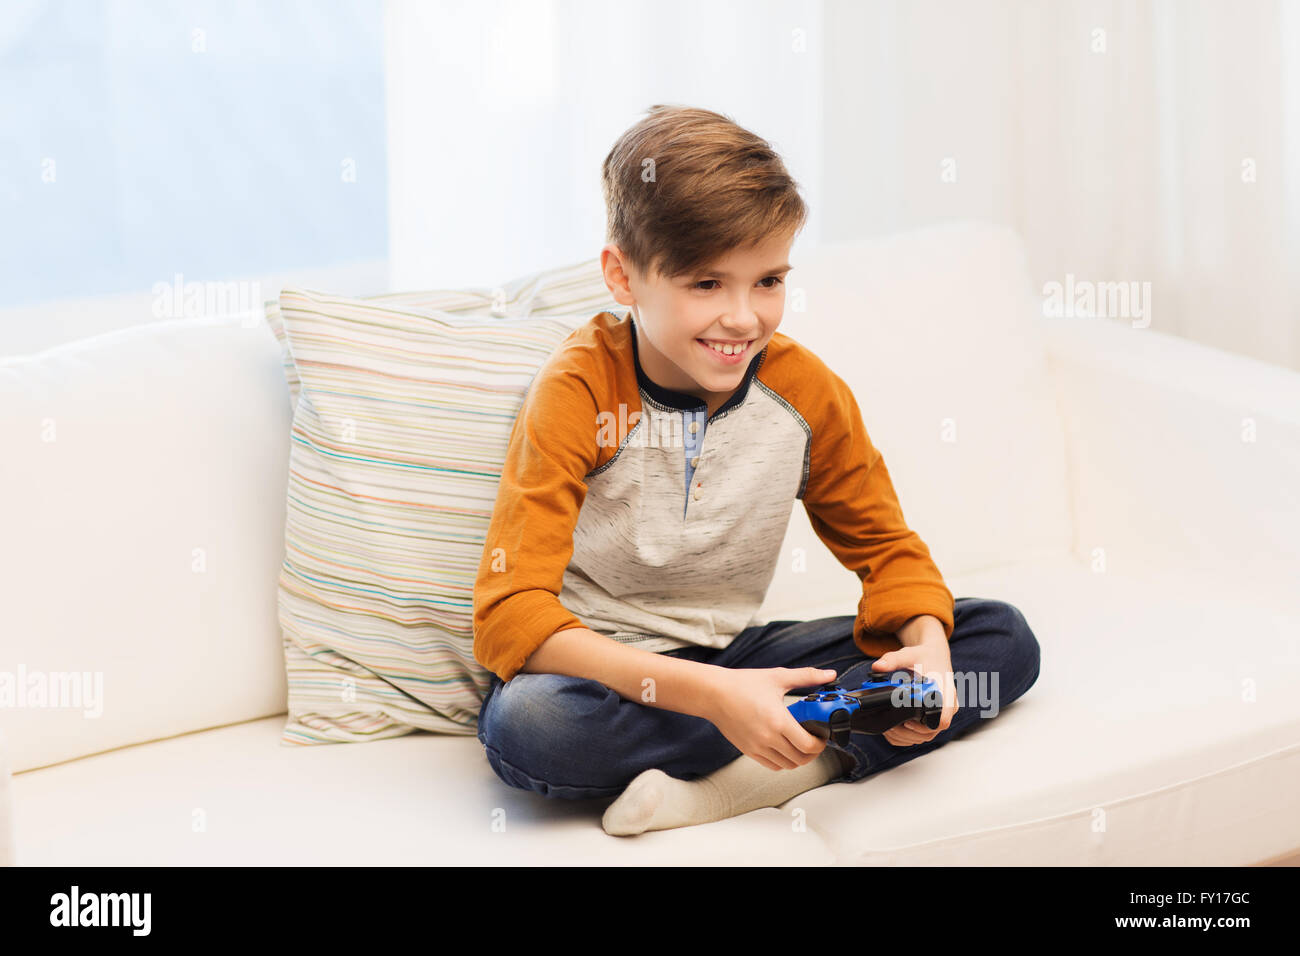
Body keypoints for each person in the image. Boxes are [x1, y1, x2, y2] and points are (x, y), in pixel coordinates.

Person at [472, 104, 1041, 836]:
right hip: (605, 676)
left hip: (739, 656)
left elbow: (889, 553)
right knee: (532, 724)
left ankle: (751, 775)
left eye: (768, 280)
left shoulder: (805, 392)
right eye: (706, 284)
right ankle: (786, 732)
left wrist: (927, 650)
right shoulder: (578, 389)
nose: (743, 318)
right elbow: (510, 615)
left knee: (999, 639)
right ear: (623, 275)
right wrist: (712, 696)